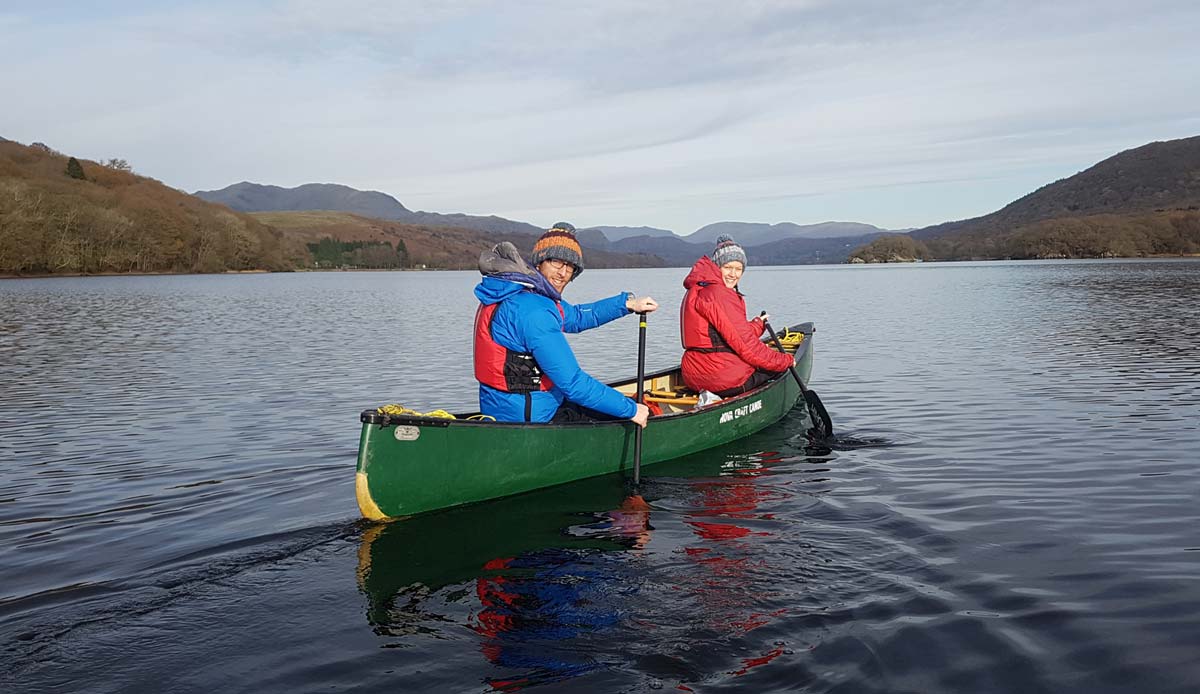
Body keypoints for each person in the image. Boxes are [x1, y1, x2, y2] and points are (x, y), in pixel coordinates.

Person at [473, 222, 659, 425]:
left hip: (505, 408)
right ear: (539, 263)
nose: (563, 273)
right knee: (645, 411)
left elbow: (577, 316)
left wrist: (627, 304)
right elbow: (573, 383)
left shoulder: (516, 293)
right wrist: (632, 410)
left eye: (570, 266)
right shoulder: (534, 311)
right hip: (532, 417)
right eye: (556, 262)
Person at [679, 234, 794, 397]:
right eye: (727, 267)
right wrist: (787, 360)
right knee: (774, 368)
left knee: (762, 358)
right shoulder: (718, 294)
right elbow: (747, 346)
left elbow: (726, 335)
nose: (733, 274)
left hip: (694, 377)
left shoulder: (698, 288)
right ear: (717, 267)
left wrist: (757, 324)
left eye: (738, 269)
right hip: (721, 379)